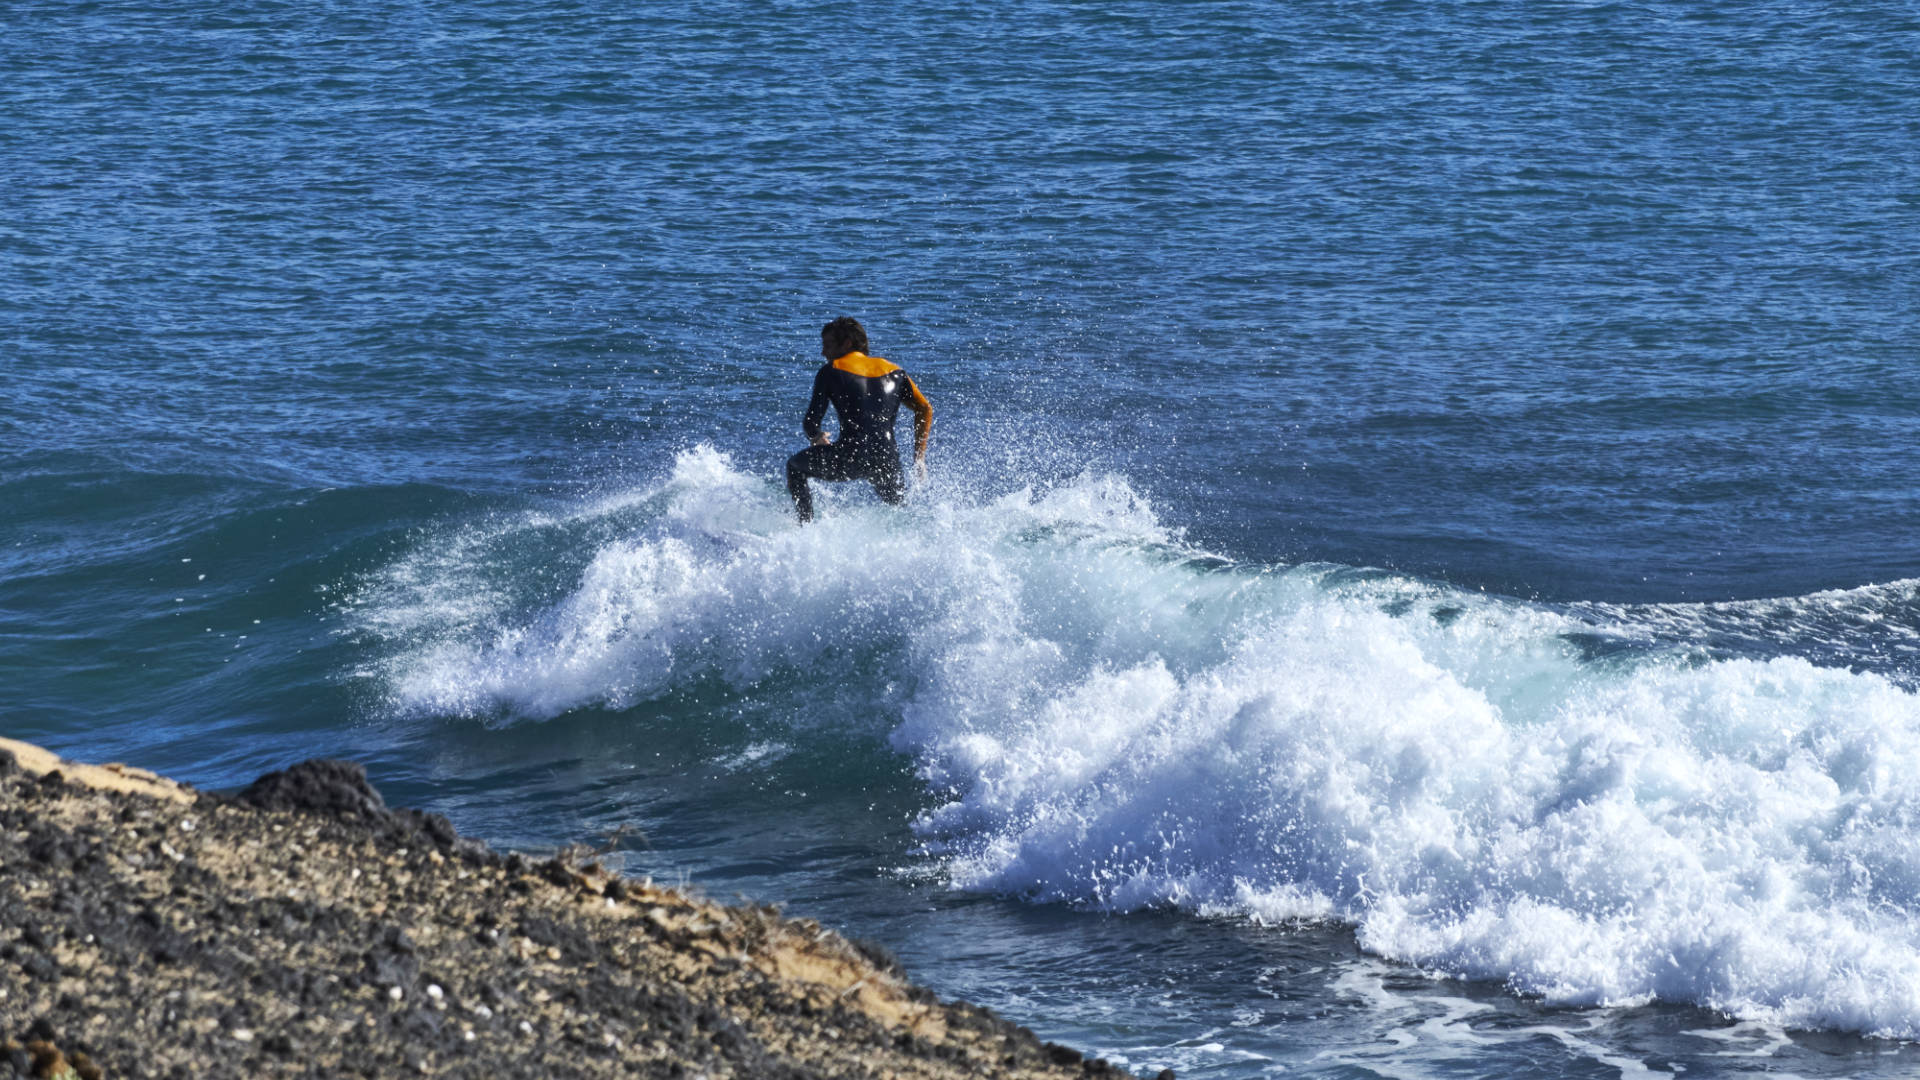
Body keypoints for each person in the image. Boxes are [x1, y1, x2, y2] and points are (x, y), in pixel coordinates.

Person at [785, 317, 932, 523]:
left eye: (827, 345)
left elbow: (811, 420)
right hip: (887, 459)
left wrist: (816, 436)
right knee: (900, 513)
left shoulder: (831, 370)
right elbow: (925, 408)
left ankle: (805, 528)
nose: (823, 352)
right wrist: (919, 458)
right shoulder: (895, 371)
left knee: (795, 466)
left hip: (850, 455)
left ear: (847, 344)